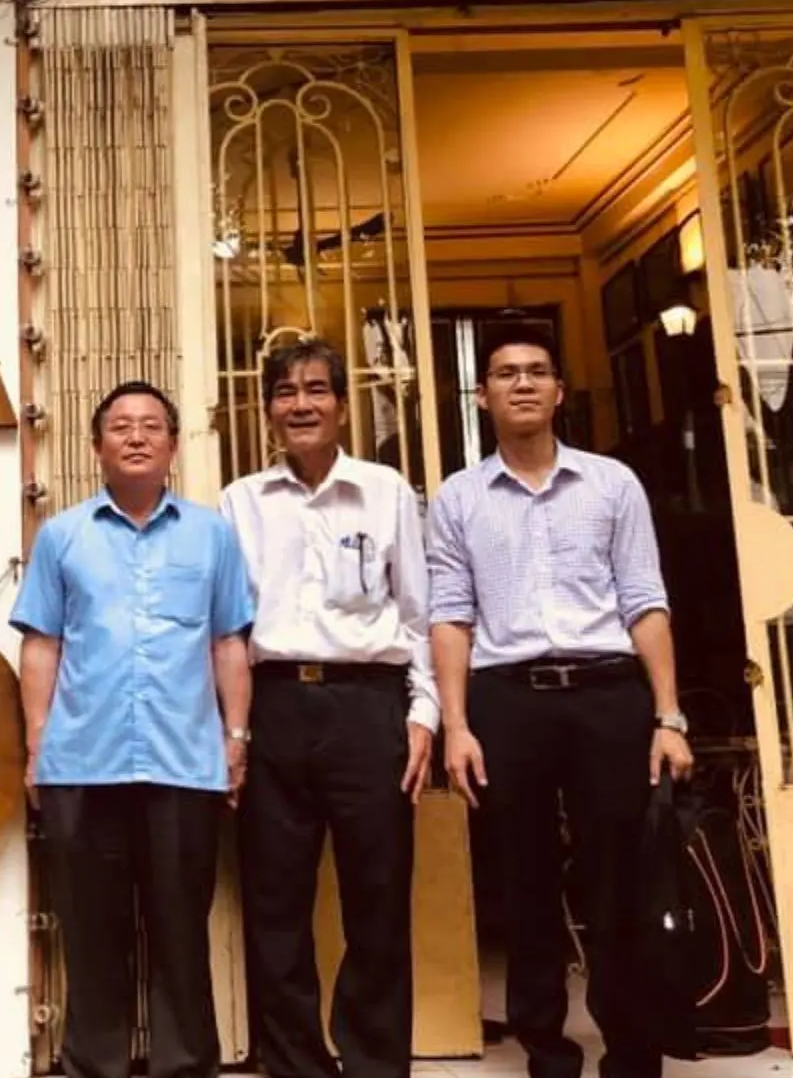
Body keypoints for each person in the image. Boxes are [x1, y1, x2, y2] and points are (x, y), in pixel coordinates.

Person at [426, 325, 694, 1078]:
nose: (521, 384)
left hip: (609, 696)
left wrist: (668, 717)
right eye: (505, 373)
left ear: (559, 391)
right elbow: (450, 615)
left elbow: (646, 601)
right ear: (482, 395)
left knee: (620, 877)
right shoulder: (459, 498)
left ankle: (633, 1051)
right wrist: (456, 725)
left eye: (536, 372)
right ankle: (547, 1051)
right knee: (526, 880)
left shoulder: (612, 484)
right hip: (509, 701)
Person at [10, 380, 254, 1078]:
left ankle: (184, 1066)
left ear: (174, 445)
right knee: (91, 932)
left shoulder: (212, 534)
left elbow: (228, 642)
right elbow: (42, 645)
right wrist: (37, 744)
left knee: (181, 932)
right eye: (121, 426)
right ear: (97, 447)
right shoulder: (63, 535)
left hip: (184, 762)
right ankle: (94, 1064)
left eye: (152, 425)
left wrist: (235, 740)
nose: (137, 436)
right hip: (82, 761)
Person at [218, 338, 435, 1078]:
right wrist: (234, 729)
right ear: (268, 408)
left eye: (316, 389)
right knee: (275, 903)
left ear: (342, 404)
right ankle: (295, 1064)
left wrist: (424, 715)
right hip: (275, 705)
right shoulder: (240, 502)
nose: (300, 403)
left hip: (367, 708)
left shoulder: (386, 492)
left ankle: (375, 1062)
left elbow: (418, 613)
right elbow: (229, 625)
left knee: (377, 898)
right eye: (284, 391)